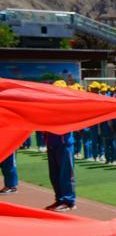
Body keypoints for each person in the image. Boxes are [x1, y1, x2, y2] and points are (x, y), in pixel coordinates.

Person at [45, 80, 77, 212]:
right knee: (54, 175)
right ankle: (59, 199)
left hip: (64, 144)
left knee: (66, 174)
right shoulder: (49, 106)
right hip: (52, 143)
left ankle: (69, 201)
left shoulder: (68, 106)